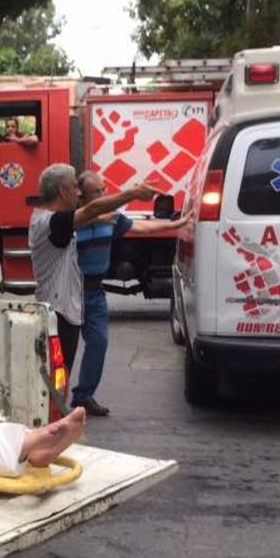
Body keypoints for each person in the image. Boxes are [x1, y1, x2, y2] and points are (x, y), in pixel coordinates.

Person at [71, 172, 190, 416]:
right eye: (98, 192)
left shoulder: (111, 219)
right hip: (69, 292)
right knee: (64, 348)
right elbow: (91, 214)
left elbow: (141, 227)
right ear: (80, 196)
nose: (103, 195)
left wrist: (174, 224)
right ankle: (53, 396)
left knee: (99, 343)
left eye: (105, 190)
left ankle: (83, 396)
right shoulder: (71, 219)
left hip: (94, 292)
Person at [27, 163, 156, 376]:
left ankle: (61, 407)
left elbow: (91, 214)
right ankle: (57, 409)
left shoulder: (50, 219)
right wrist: (132, 193)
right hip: (59, 313)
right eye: (75, 187)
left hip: (63, 309)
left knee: (59, 373)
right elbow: (92, 209)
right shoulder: (52, 222)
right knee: (56, 374)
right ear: (63, 191)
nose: (78, 193)